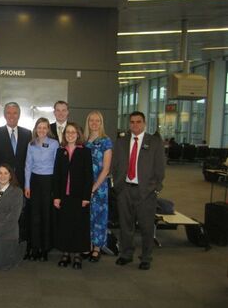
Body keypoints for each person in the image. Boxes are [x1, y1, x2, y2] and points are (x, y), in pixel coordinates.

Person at [112, 111, 165, 271]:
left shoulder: (155, 142)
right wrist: (118, 187)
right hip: (125, 189)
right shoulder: (121, 142)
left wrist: (153, 188)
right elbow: (115, 166)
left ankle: (146, 257)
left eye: (138, 122)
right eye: (132, 122)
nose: (135, 125)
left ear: (144, 123)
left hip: (146, 192)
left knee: (146, 226)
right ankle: (126, 254)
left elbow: (160, 169)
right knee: (125, 225)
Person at [53, 123, 93, 270]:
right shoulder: (60, 151)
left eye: (73, 132)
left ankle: (77, 255)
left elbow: (89, 176)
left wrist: (86, 197)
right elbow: (56, 175)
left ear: (78, 134)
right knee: (65, 225)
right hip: (64, 196)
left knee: (79, 225)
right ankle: (65, 254)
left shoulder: (85, 152)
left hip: (79, 196)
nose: (70, 134)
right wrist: (56, 196)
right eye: (67, 132)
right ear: (64, 135)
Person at [24, 117, 59, 261]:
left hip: (49, 181)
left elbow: (57, 167)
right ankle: (34, 247)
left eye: (45, 127)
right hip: (35, 181)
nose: (42, 130)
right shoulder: (31, 144)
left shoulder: (54, 144)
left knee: (46, 215)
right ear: (35, 129)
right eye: (39, 127)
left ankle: (45, 249)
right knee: (34, 216)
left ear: (48, 129)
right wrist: (27, 185)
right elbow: (28, 165)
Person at [0, 164, 27, 271]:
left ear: (10, 175)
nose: (2, 176)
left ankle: (20, 248)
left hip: (7, 233)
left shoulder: (17, 192)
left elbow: (13, 218)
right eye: (0, 173)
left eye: (6, 173)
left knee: (2, 265)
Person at [84, 111, 113, 262]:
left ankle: (97, 248)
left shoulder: (105, 141)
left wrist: (94, 188)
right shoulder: (84, 140)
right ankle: (88, 245)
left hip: (99, 187)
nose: (94, 123)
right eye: (91, 121)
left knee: (99, 217)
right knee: (87, 216)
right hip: (85, 185)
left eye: (97, 121)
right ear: (88, 123)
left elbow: (106, 169)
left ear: (101, 123)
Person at [0, 102, 32, 187]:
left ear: (19, 115)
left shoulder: (27, 134)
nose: (12, 116)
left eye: (15, 113)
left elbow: (29, 160)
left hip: (22, 181)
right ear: (4, 115)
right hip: (2, 181)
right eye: (8, 113)